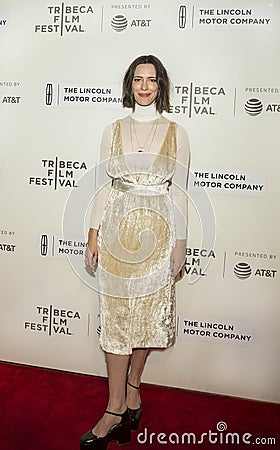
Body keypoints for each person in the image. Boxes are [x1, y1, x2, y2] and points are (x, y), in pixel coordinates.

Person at [81, 55, 190, 450]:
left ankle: (132, 390)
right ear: (130, 85)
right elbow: (100, 186)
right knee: (116, 320)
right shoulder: (113, 129)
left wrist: (180, 245)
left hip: (159, 236)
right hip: (115, 231)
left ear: (161, 85)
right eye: (138, 79)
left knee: (145, 318)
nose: (145, 86)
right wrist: (92, 233)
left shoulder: (177, 132)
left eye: (152, 79)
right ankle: (113, 410)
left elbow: (179, 193)